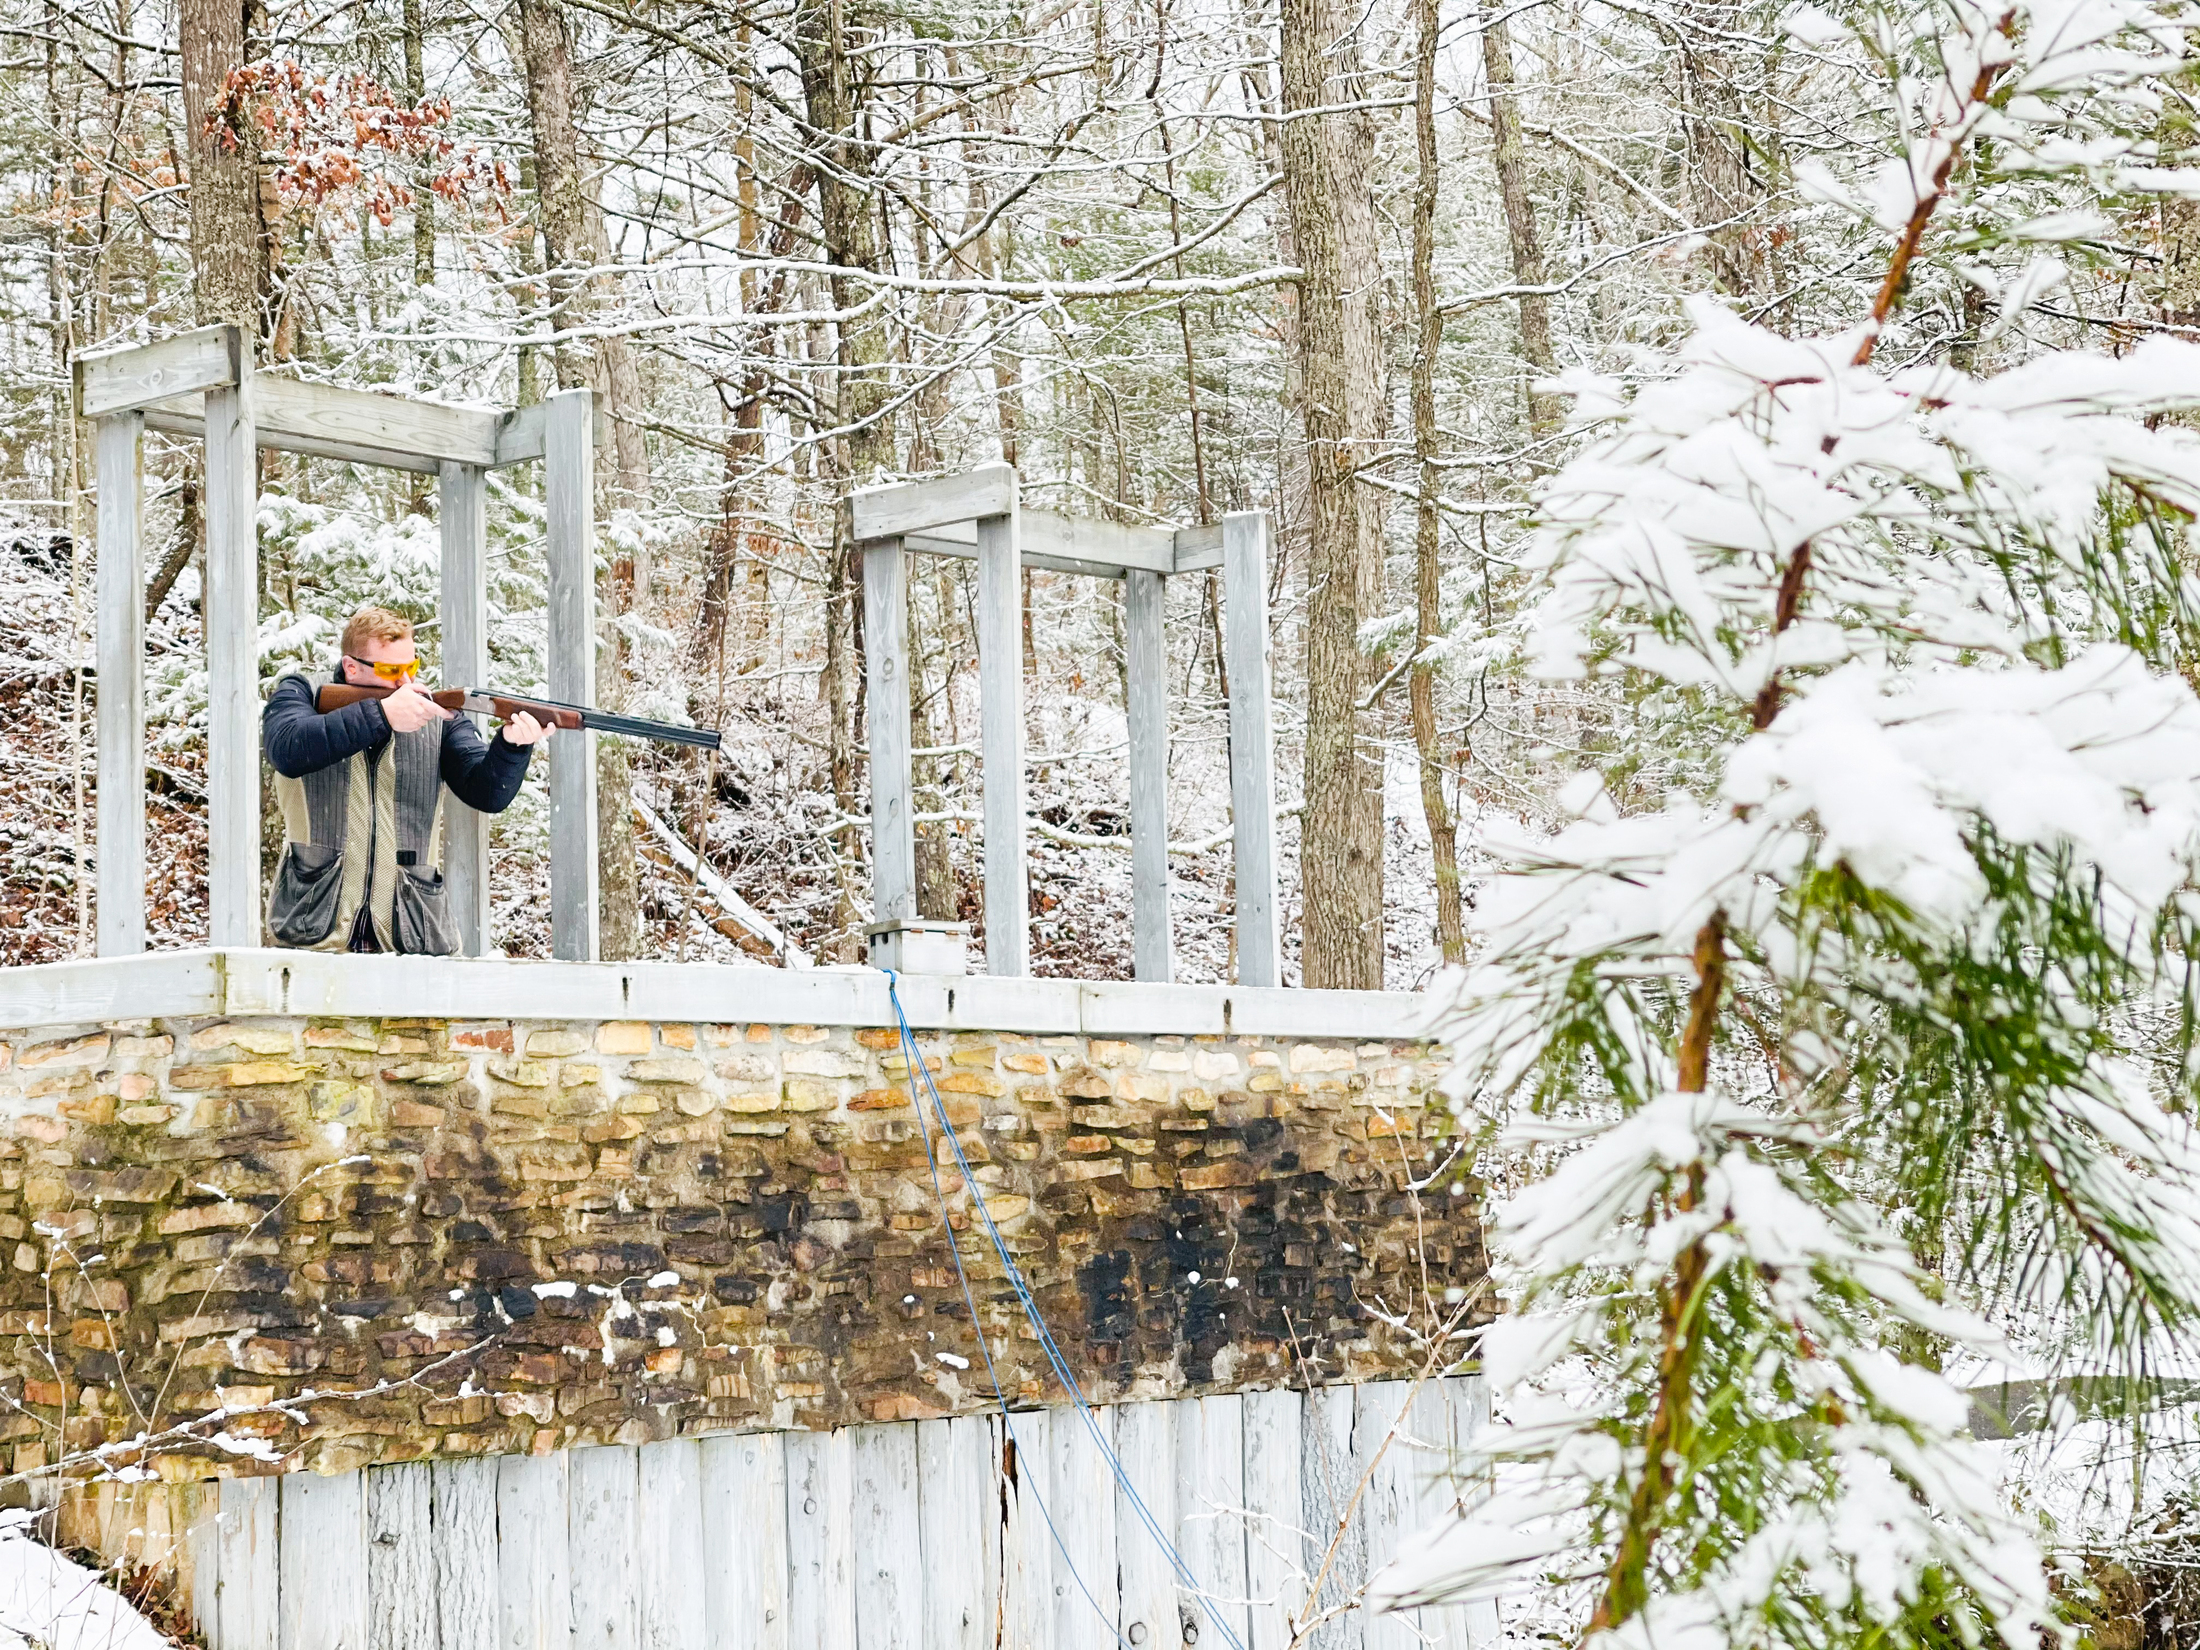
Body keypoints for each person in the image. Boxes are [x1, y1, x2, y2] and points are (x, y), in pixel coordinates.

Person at [260, 605, 552, 954]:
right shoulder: (303, 692)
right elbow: (287, 749)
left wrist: (511, 746)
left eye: (411, 667)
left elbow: (487, 793)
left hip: (412, 933)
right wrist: (382, 714)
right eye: (391, 670)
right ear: (351, 667)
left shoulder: (435, 714)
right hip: (312, 925)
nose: (406, 682)